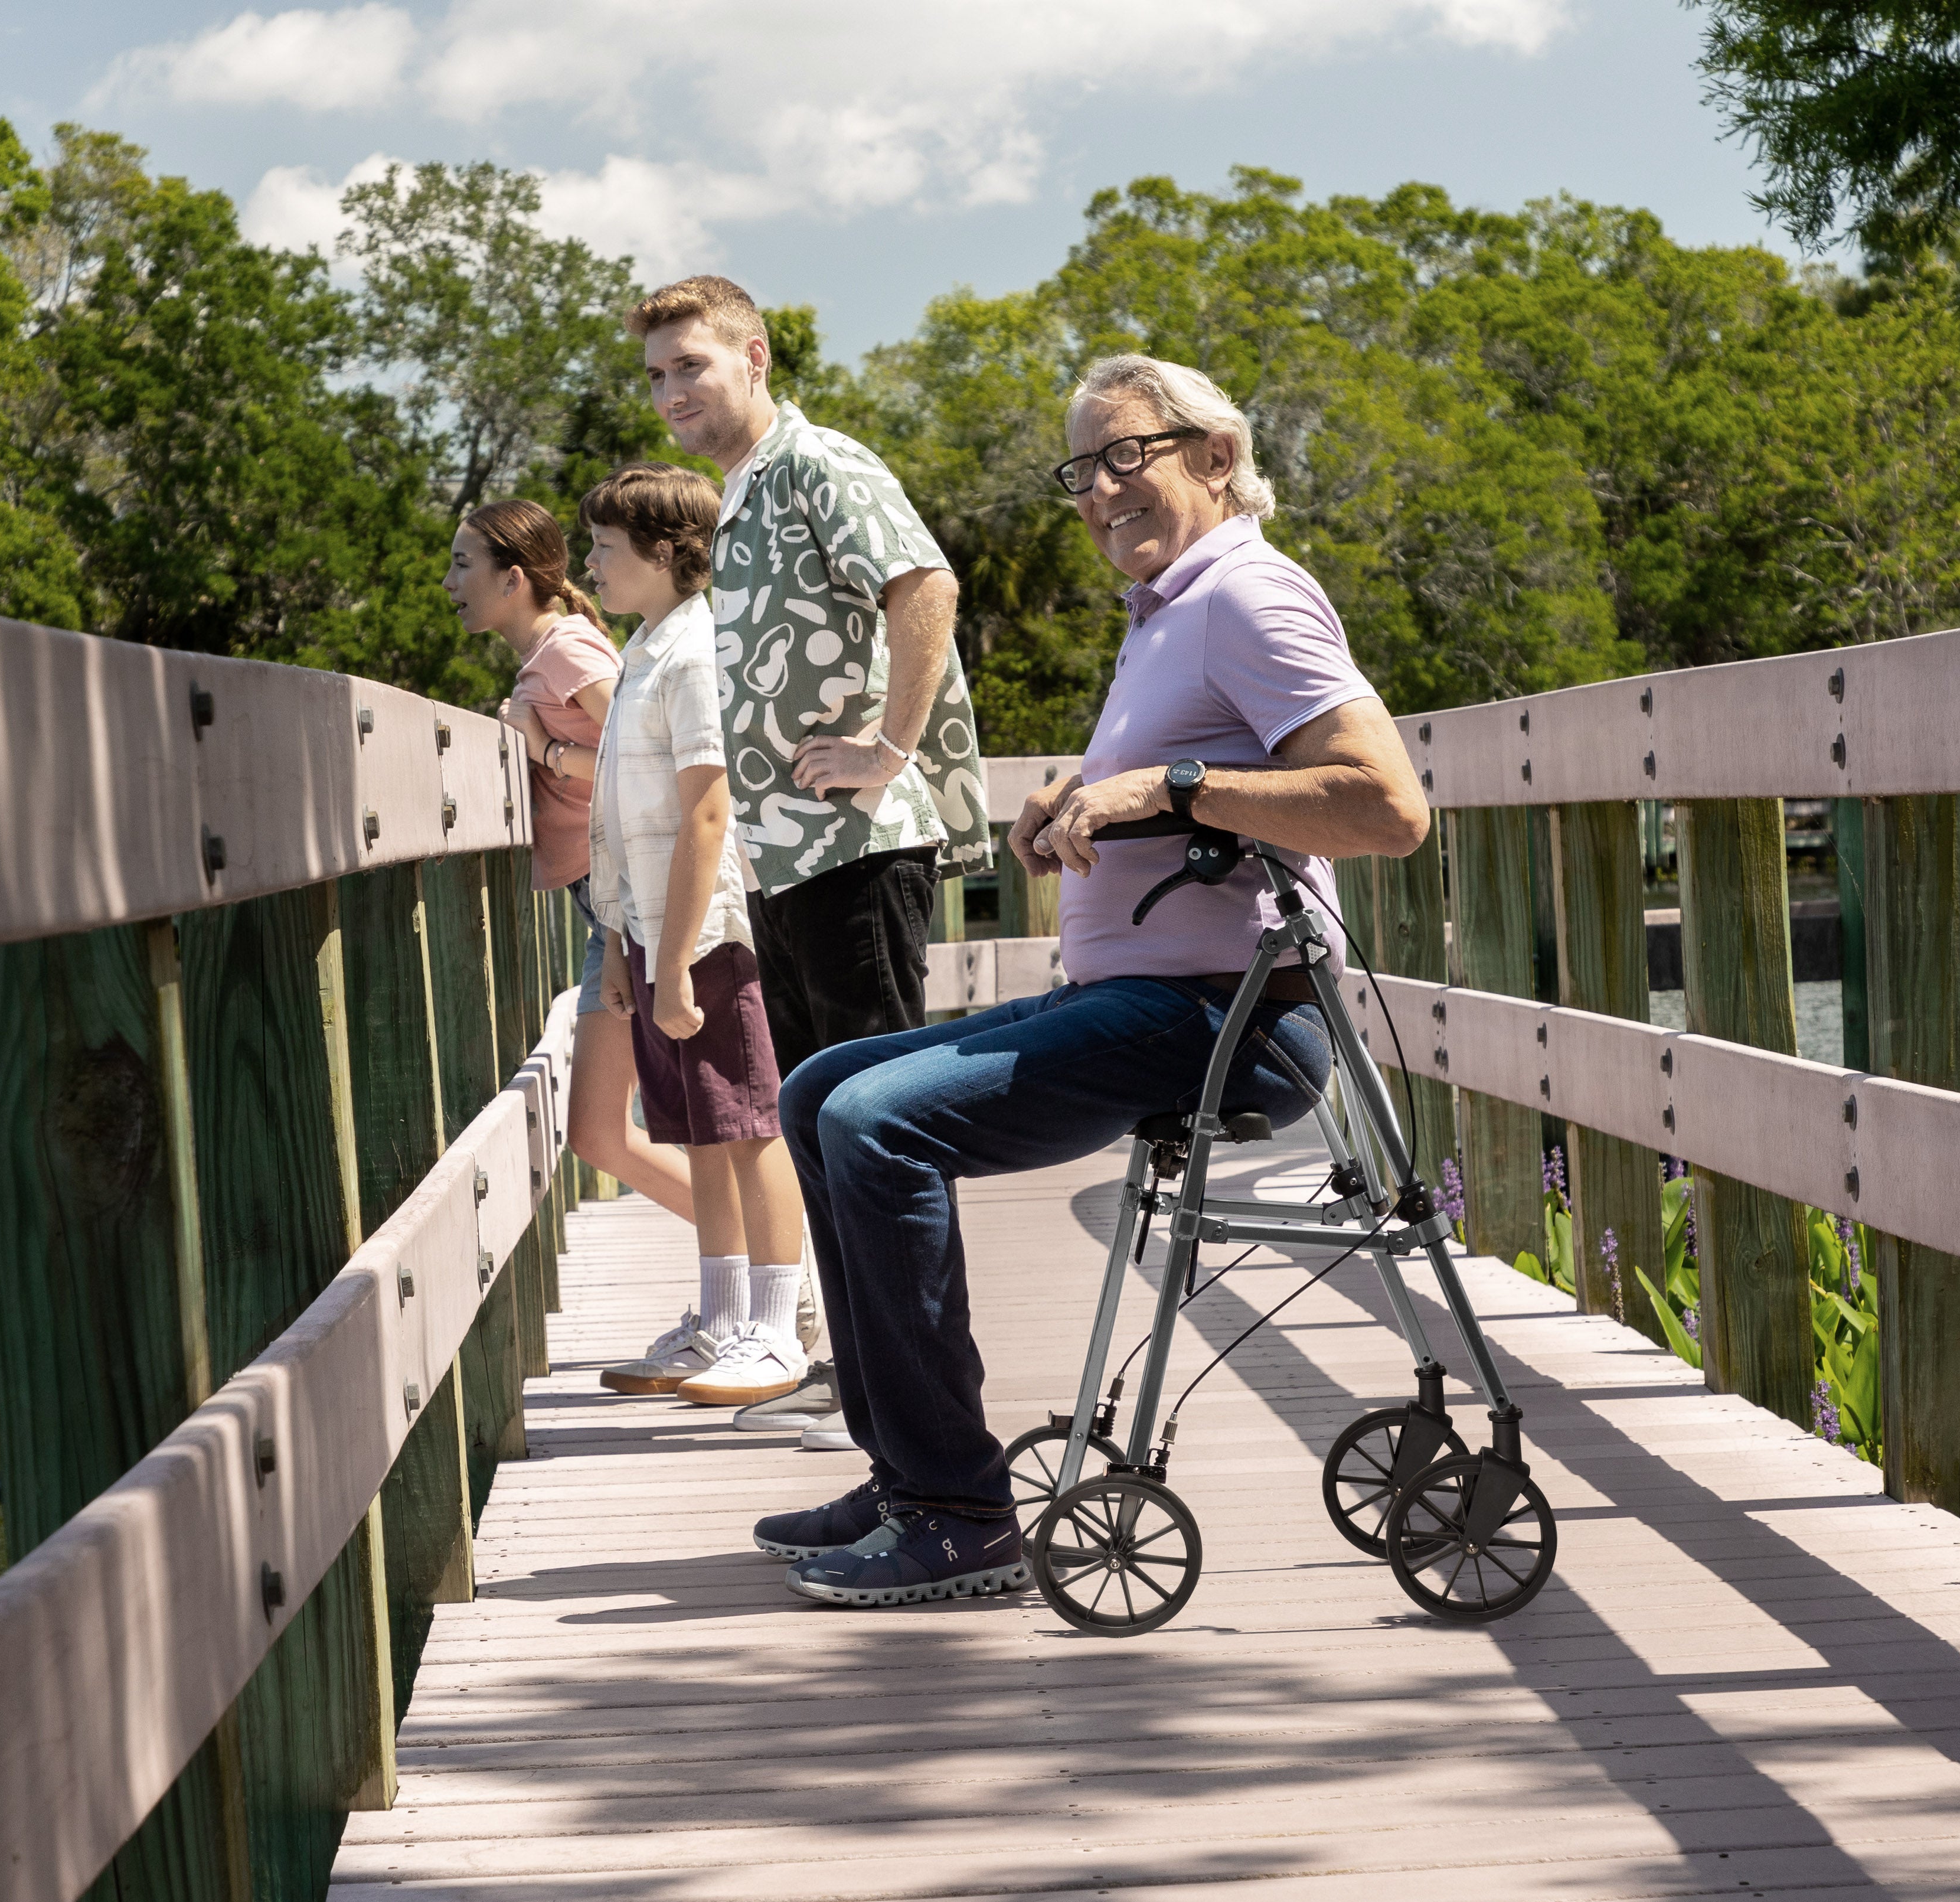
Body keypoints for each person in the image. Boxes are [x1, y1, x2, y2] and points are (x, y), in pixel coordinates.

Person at [758, 353, 1432, 1608]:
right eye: (1083, 469)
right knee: (816, 1090)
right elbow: (1189, 787)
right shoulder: (1170, 610)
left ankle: (958, 1515)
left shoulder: (1252, 598)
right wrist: (1080, 810)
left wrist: (1162, 790)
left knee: (874, 1122)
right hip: (1147, 1001)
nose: (1101, 489)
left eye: (1130, 455)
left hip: (1232, 1017)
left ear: (1217, 458)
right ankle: (909, 1469)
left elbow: (1388, 809)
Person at [631, 273, 993, 1446]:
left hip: (857, 850)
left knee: (883, 1140)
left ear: (755, 355)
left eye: (693, 364)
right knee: (825, 1137)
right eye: (657, 375)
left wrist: (893, 745)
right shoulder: (731, 500)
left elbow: (925, 582)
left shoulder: (819, 464)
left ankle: (936, 1429)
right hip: (780, 864)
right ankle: (875, 1398)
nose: (673, 390)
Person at [574, 463, 814, 1410]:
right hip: (650, 931)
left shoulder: (697, 652)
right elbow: (626, 817)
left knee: (751, 1125)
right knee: (698, 1129)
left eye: (603, 547)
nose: (588, 564)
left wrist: (674, 958)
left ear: (670, 555)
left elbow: (707, 814)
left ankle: (777, 1330)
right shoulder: (643, 650)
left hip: (709, 933)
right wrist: (628, 945)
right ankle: (721, 1321)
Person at [445, 500, 696, 1226]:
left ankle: (778, 1268)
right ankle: (776, 1259)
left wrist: (545, 751)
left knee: (650, 1125)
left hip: (635, 898)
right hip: (609, 907)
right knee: (597, 1133)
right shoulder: (548, 655)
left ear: (512, 578)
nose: (448, 581)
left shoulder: (566, 650)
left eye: (463, 564)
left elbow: (652, 756)